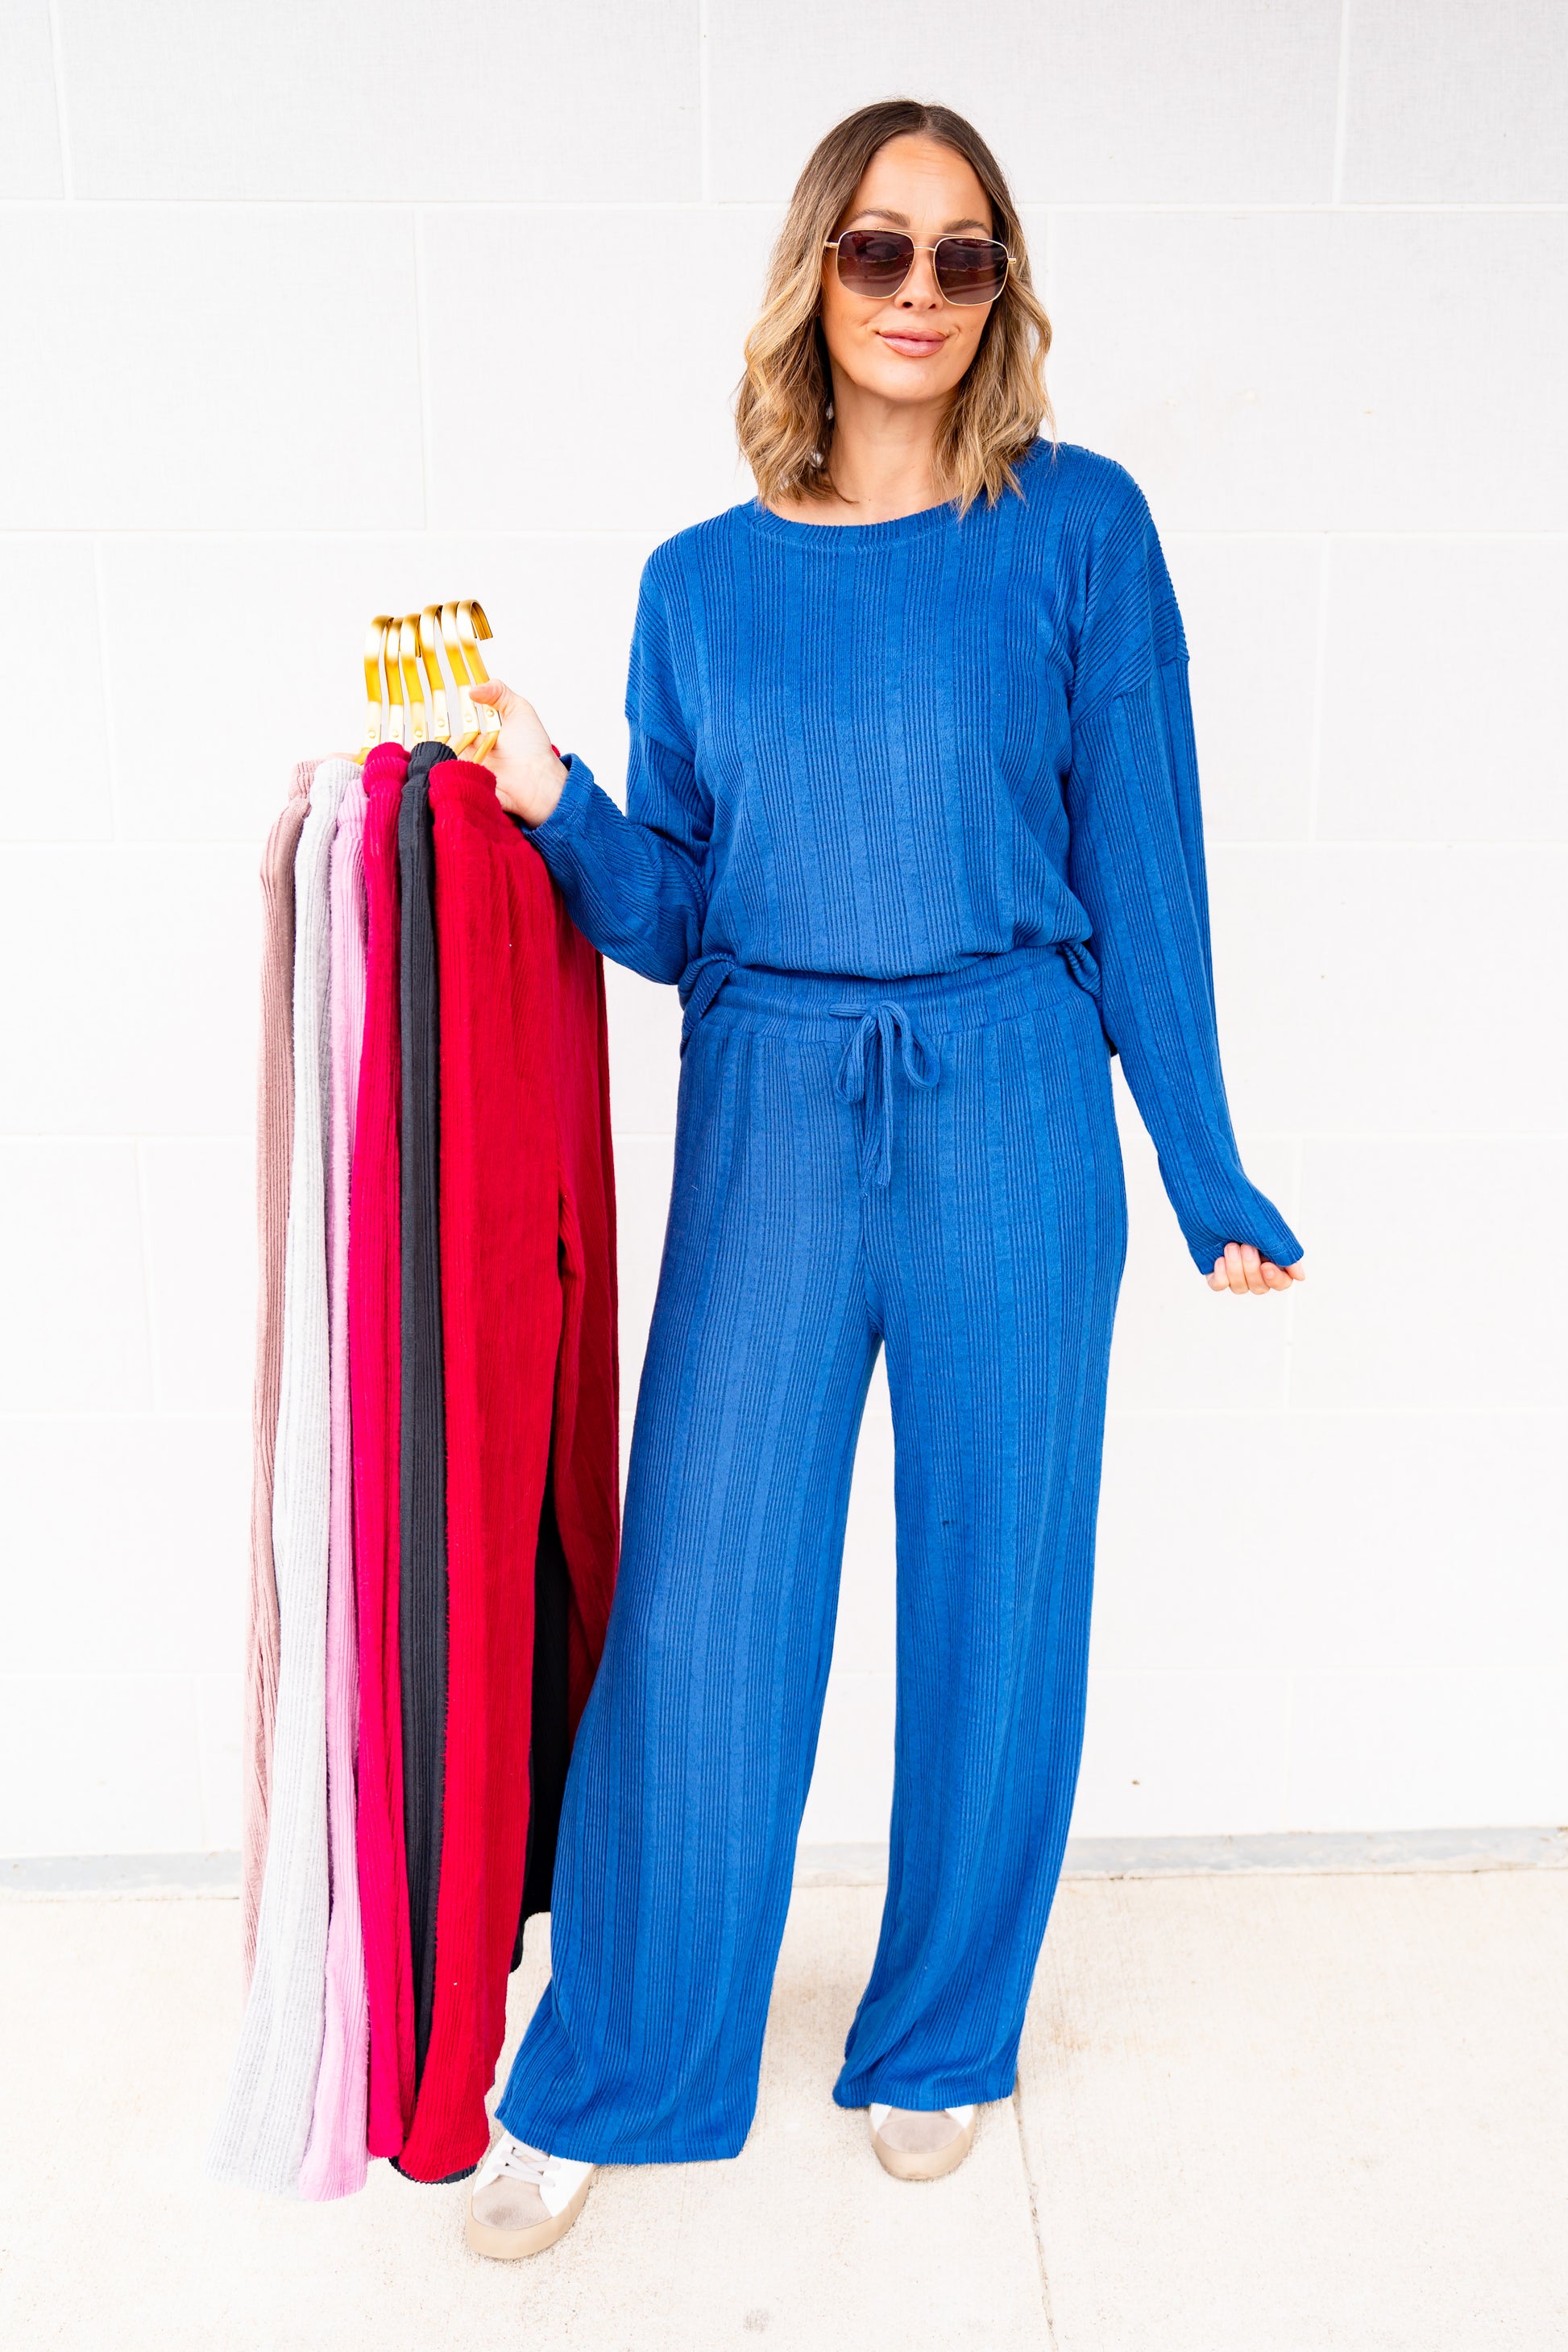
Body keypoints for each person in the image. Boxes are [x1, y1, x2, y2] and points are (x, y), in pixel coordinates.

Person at [458, 97, 1305, 2260]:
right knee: (702, 1600)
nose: (919, 291)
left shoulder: (1076, 531)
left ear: (999, 289)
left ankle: (938, 2035)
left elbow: (1146, 860)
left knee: (999, 1589)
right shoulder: (700, 583)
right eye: (877, 248)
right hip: (770, 1102)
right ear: (812, 274)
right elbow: (680, 914)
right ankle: (620, 2054)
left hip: (1011, 1095)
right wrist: (558, 800)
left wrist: (1201, 1160)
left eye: (961, 254)